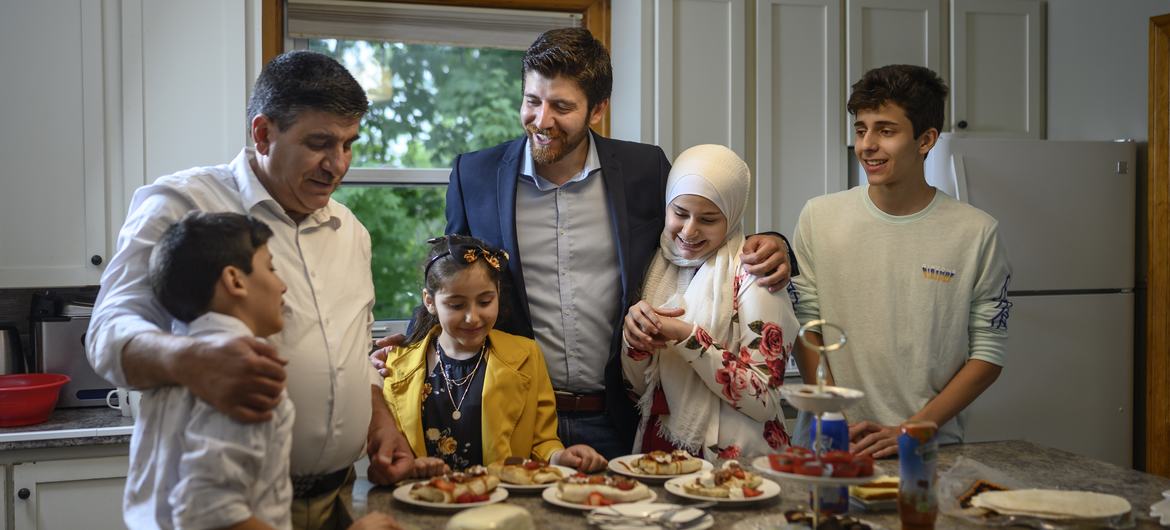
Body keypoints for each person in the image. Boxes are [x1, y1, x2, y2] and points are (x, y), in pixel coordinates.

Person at [372, 28, 793, 458]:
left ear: (598, 110)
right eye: (532, 101)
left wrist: (776, 243)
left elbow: (704, 228)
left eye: (562, 106)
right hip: (517, 414)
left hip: (620, 416)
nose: (542, 120)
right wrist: (408, 349)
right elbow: (451, 272)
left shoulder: (643, 169)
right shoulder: (475, 175)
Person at [87, 50, 408, 530]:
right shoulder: (184, 204)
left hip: (338, 496)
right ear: (263, 133)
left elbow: (354, 348)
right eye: (319, 143)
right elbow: (107, 333)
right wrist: (188, 361)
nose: (337, 165)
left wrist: (379, 415)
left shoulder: (352, 230)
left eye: (348, 143)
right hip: (233, 505)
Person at [790, 64, 1012, 458]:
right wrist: (833, 417)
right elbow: (806, 326)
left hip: (927, 448)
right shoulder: (818, 218)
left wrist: (912, 429)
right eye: (861, 129)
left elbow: (988, 354)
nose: (867, 145)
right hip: (829, 443)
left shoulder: (976, 233)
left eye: (886, 130)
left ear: (926, 140)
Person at [130, 211, 395, 530]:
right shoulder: (244, 375)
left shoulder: (172, 370)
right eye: (270, 268)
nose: (282, 286)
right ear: (235, 280)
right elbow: (210, 513)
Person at [621, 144, 801, 461]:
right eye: (679, 213)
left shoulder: (755, 274)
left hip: (735, 462)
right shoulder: (654, 267)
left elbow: (765, 400)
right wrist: (634, 342)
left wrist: (688, 337)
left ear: (731, 217)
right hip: (660, 450)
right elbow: (638, 389)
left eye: (708, 219)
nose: (689, 230)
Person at [382, 235, 607, 473]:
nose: (473, 317)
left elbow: (542, 442)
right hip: (424, 499)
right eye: (456, 305)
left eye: (485, 301)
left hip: (501, 500)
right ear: (429, 301)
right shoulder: (396, 366)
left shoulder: (526, 355)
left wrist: (559, 457)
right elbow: (392, 449)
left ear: (497, 292)